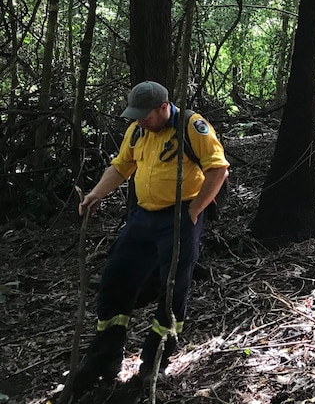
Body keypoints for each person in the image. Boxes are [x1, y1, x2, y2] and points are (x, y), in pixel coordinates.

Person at [72, 81, 229, 394]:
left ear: (163, 106)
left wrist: (196, 210)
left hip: (180, 217)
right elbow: (121, 166)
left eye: (146, 114)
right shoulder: (137, 131)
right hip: (143, 216)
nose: (140, 119)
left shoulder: (192, 126)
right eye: (136, 114)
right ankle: (105, 356)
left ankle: (154, 361)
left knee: (173, 290)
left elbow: (218, 169)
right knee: (116, 276)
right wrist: (95, 194)